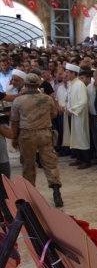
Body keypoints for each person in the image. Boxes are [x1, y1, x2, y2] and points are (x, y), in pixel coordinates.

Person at [10, 73, 63, 207]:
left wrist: (14, 137)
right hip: (45, 133)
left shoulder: (18, 101)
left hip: (27, 135)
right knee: (50, 163)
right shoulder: (47, 99)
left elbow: (15, 121)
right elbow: (53, 114)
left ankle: (30, 195)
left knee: (28, 164)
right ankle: (56, 191)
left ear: (25, 84)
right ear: (38, 84)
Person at [62, 64, 92, 169]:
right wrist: (65, 107)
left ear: (73, 73)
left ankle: (86, 160)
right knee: (74, 136)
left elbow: (83, 101)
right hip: (71, 114)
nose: (65, 74)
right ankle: (79, 158)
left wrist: (72, 109)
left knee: (81, 137)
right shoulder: (71, 84)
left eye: (67, 72)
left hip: (78, 115)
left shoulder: (79, 84)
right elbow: (68, 99)